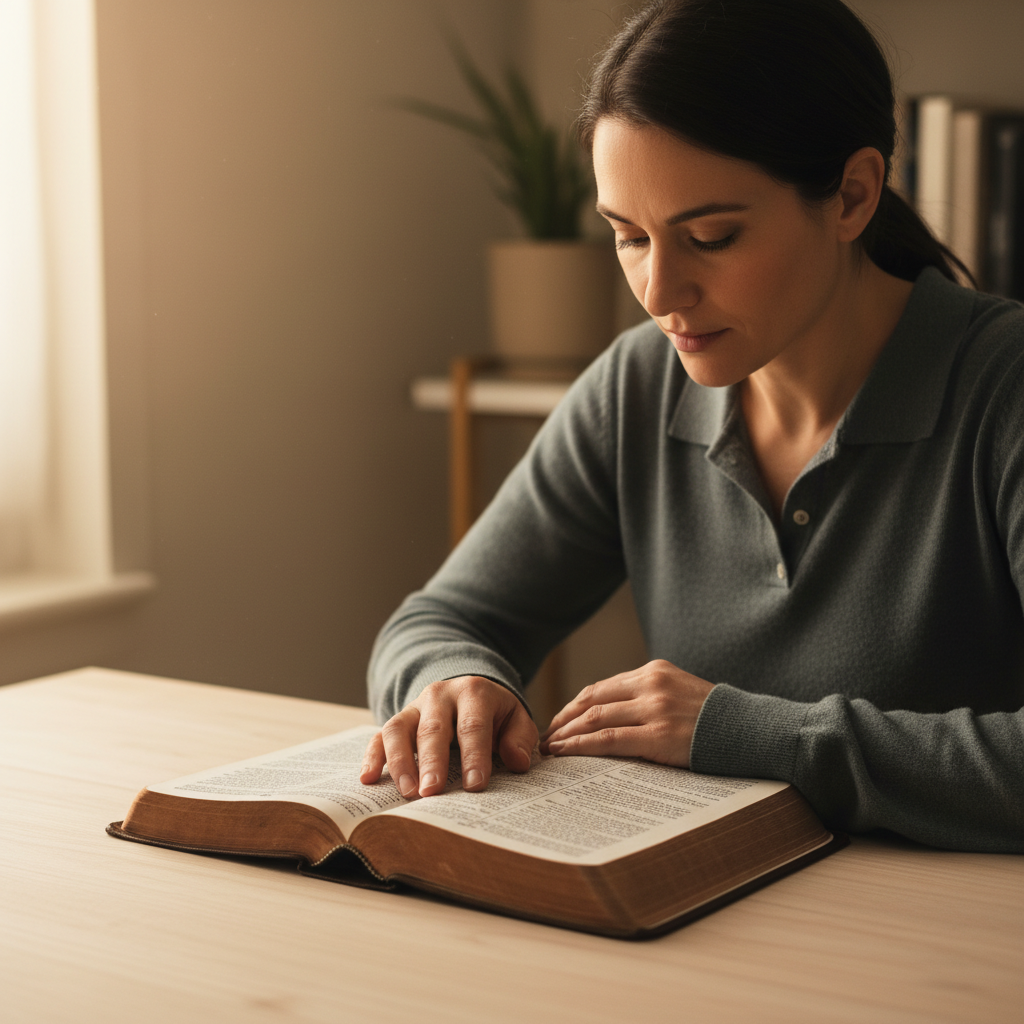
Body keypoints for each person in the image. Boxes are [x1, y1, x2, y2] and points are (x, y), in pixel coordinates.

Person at [360, 0, 1024, 853]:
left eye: (710, 236)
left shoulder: (1002, 391)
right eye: (628, 236)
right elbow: (440, 619)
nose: (658, 292)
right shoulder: (637, 386)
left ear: (854, 194)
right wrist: (453, 679)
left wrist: (743, 731)